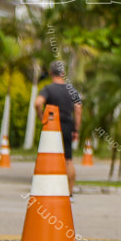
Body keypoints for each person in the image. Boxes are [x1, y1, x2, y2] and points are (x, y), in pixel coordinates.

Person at [34, 60, 82, 189]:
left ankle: (49, 188)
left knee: (48, 157)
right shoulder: (71, 90)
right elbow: (78, 108)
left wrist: (41, 117)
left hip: (51, 127)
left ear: (50, 73)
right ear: (63, 73)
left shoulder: (48, 89)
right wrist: (76, 128)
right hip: (67, 125)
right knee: (68, 159)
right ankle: (70, 192)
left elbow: (38, 103)